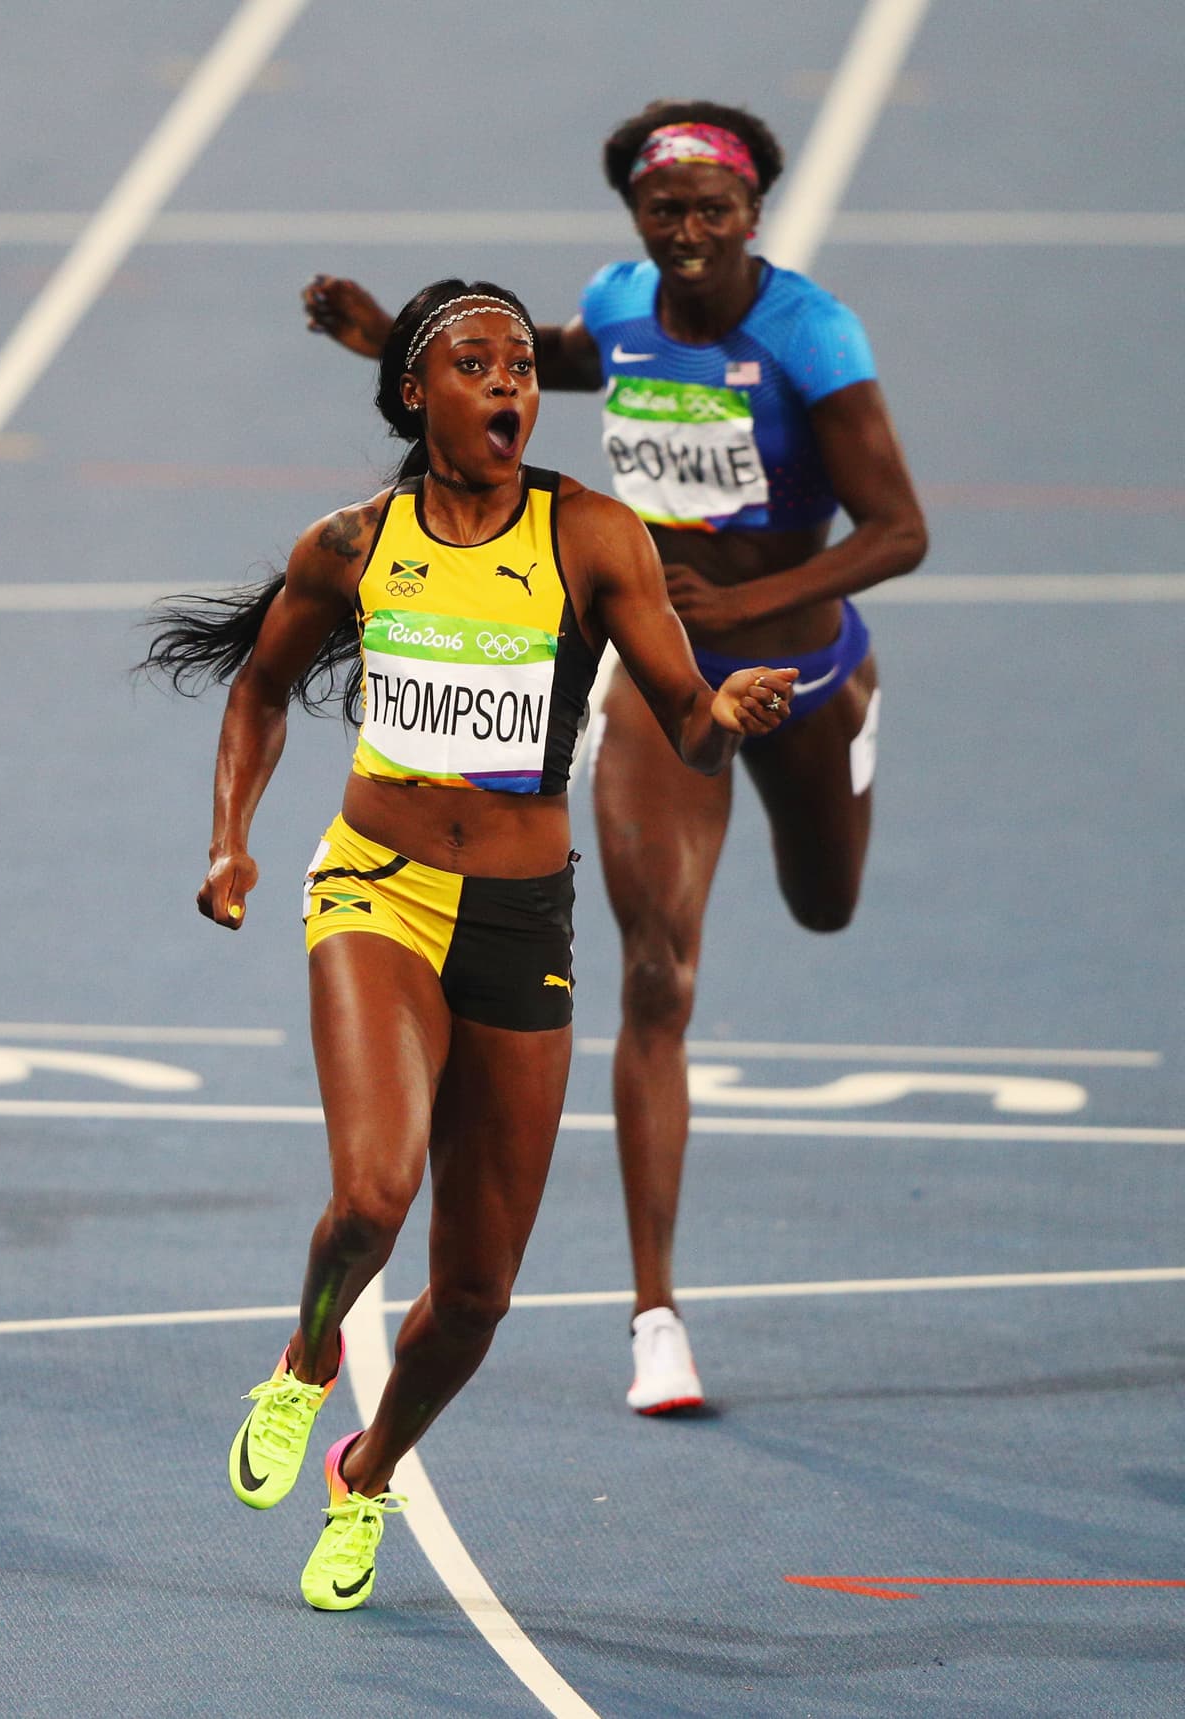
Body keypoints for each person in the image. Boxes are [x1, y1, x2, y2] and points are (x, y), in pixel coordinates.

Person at [142, 277, 796, 1611]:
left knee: (481, 1296)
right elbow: (261, 688)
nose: (511, 385)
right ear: (415, 394)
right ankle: (308, 1354)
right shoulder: (351, 542)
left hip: (517, 916)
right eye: (478, 364)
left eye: (522, 367)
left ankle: (366, 1474)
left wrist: (722, 712)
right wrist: (230, 838)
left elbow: (681, 717)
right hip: (374, 890)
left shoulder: (592, 537)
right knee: (374, 1194)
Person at [302, 100, 928, 1416]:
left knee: (826, 906)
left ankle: (855, 722)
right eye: (666, 211)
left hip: (801, 665)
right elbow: (584, 358)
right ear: (637, 221)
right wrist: (381, 343)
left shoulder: (812, 335)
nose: (689, 231)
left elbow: (900, 529)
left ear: (754, 214)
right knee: (657, 970)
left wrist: (742, 616)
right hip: (666, 678)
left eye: (715, 209)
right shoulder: (622, 303)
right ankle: (656, 1316)